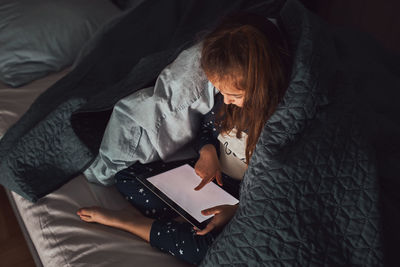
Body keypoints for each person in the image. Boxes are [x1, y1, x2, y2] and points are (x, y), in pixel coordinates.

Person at [77, 13, 291, 265]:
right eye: (220, 91)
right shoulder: (227, 101)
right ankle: (179, 219)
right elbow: (207, 131)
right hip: (211, 180)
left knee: (207, 249)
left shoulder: (278, 123)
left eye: (233, 94)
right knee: (126, 177)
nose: (226, 98)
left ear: (260, 85)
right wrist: (207, 152)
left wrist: (236, 211)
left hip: (240, 200)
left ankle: (131, 222)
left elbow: (277, 188)